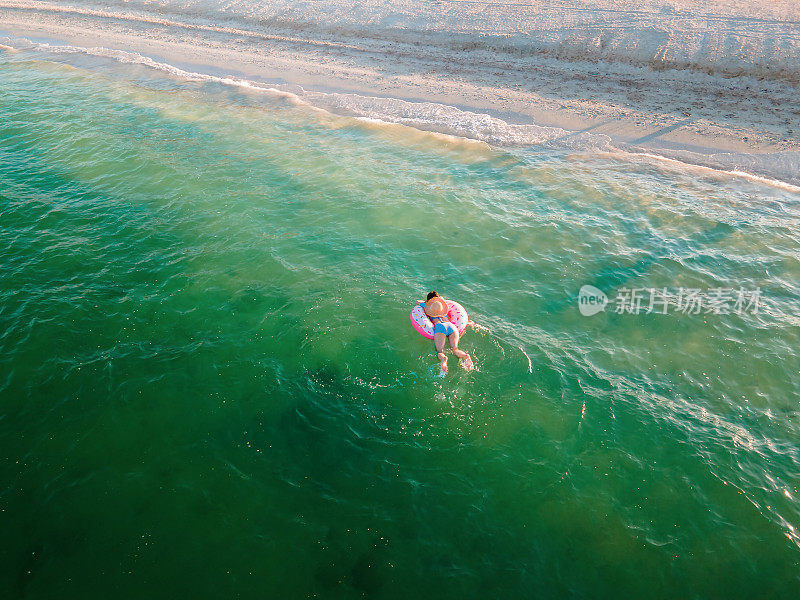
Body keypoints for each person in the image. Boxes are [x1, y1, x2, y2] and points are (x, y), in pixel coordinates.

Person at [421, 291, 473, 373]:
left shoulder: (426, 305)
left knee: (439, 351)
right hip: (451, 326)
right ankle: (465, 356)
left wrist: (426, 302)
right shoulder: (442, 305)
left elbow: (417, 302)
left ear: (428, 301)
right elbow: (441, 298)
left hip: (440, 326)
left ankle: (444, 359)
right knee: (455, 349)